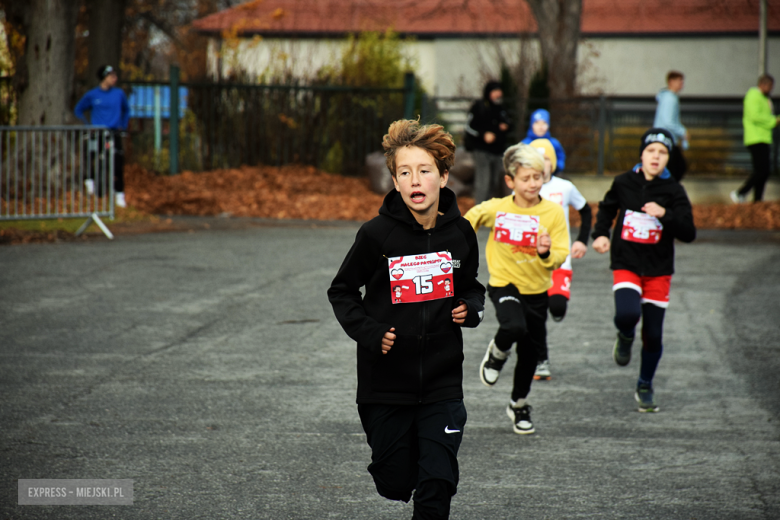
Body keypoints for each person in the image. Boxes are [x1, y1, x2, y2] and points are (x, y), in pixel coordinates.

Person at [328, 119, 486, 520]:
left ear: (444, 176)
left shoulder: (461, 235)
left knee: (437, 482)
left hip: (442, 384)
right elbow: (342, 291)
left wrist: (470, 308)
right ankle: (407, 458)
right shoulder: (377, 235)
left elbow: (471, 287)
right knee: (395, 482)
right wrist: (371, 332)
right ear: (395, 182)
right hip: (386, 386)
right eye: (404, 172)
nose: (414, 180)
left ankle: (432, 461)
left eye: (424, 170)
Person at [465, 143, 569, 434]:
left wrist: (547, 252)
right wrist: (458, 241)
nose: (533, 183)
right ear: (510, 181)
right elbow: (470, 219)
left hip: (537, 289)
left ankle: (518, 404)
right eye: (526, 178)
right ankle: (497, 353)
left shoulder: (553, 213)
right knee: (513, 326)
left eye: (538, 177)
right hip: (504, 283)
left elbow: (561, 253)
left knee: (530, 355)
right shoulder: (498, 208)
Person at [591, 128, 696, 413]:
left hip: (658, 269)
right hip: (626, 261)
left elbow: (689, 232)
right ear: (642, 154)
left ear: (667, 158)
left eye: (662, 153)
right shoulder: (624, 182)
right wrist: (600, 234)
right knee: (627, 314)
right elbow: (606, 208)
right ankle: (625, 335)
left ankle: (645, 383)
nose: (656, 157)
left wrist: (666, 214)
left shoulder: (674, 191)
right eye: (651, 151)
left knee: (653, 334)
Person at [529, 138, 592, 380]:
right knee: (537, 314)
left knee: (556, 306)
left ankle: (556, 306)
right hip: (532, 261)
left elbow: (585, 210)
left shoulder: (565, 187)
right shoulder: (523, 190)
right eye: (536, 160)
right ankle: (541, 360)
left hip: (560, 259)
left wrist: (581, 240)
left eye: (545, 160)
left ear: (552, 164)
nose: (541, 165)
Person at [74, 64, 130, 208]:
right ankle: (90, 180)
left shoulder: (119, 94)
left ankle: (119, 194)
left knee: (117, 162)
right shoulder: (93, 95)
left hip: (113, 133)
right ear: (104, 78)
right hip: (98, 132)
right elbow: (78, 110)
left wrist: (122, 126)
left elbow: (127, 110)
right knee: (92, 156)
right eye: (111, 76)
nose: (115, 79)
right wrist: (88, 126)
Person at [731, 74, 780, 203]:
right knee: (761, 170)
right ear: (763, 84)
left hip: (763, 137)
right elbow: (755, 116)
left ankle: (757, 199)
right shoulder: (753, 96)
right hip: (755, 138)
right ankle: (740, 193)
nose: (771, 89)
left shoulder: (764, 98)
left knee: (764, 171)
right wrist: (773, 121)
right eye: (770, 86)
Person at [464, 81, 512, 203]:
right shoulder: (479, 106)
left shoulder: (501, 108)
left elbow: (510, 123)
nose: (498, 94)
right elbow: (469, 127)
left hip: (497, 152)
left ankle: (489, 211)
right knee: (483, 183)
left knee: (494, 183)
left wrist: (506, 126)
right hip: (482, 151)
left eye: (499, 91)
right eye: (495, 91)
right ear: (489, 92)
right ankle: (479, 215)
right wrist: (483, 135)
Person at [653, 71, 689, 182]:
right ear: (671, 82)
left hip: (663, 138)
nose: (682, 84)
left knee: (670, 168)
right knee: (678, 167)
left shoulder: (666, 97)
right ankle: (666, 192)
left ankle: (666, 192)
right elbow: (668, 120)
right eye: (679, 81)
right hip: (666, 138)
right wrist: (683, 132)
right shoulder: (670, 99)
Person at [520, 109, 566, 174]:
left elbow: (560, 158)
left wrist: (556, 168)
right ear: (532, 125)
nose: (540, 127)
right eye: (537, 123)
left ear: (548, 126)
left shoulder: (554, 143)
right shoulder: (525, 144)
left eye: (544, 123)